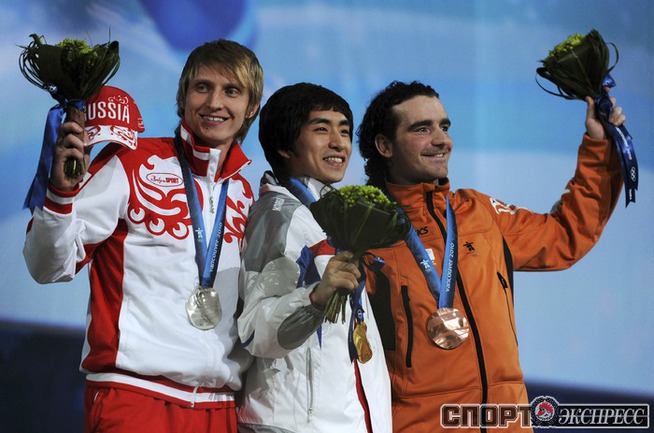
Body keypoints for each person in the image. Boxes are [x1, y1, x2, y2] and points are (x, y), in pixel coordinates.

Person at [23, 39, 264, 433]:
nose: (214, 102)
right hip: (134, 398)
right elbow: (47, 267)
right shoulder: (131, 163)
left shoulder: (244, 193)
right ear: (183, 96)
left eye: (231, 91)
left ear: (251, 106)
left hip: (217, 408)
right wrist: (60, 196)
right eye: (202, 87)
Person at [357, 80, 625, 432]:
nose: (442, 140)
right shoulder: (364, 231)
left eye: (444, 126)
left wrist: (599, 146)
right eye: (422, 129)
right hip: (422, 422)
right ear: (384, 146)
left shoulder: (478, 212)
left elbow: (565, 235)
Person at [236, 82, 392, 433]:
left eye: (344, 131)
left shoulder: (331, 217)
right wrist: (316, 298)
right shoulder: (281, 214)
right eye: (322, 129)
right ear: (283, 145)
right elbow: (255, 329)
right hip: (293, 424)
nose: (339, 143)